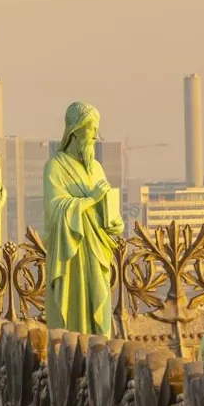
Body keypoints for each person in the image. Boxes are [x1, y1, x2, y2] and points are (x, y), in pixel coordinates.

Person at [44, 102, 125, 336]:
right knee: (73, 315)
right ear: (75, 129)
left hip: (97, 252)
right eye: (91, 129)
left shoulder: (96, 168)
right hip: (71, 256)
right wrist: (91, 199)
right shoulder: (54, 167)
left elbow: (105, 206)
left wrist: (114, 222)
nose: (94, 136)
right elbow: (54, 209)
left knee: (100, 302)